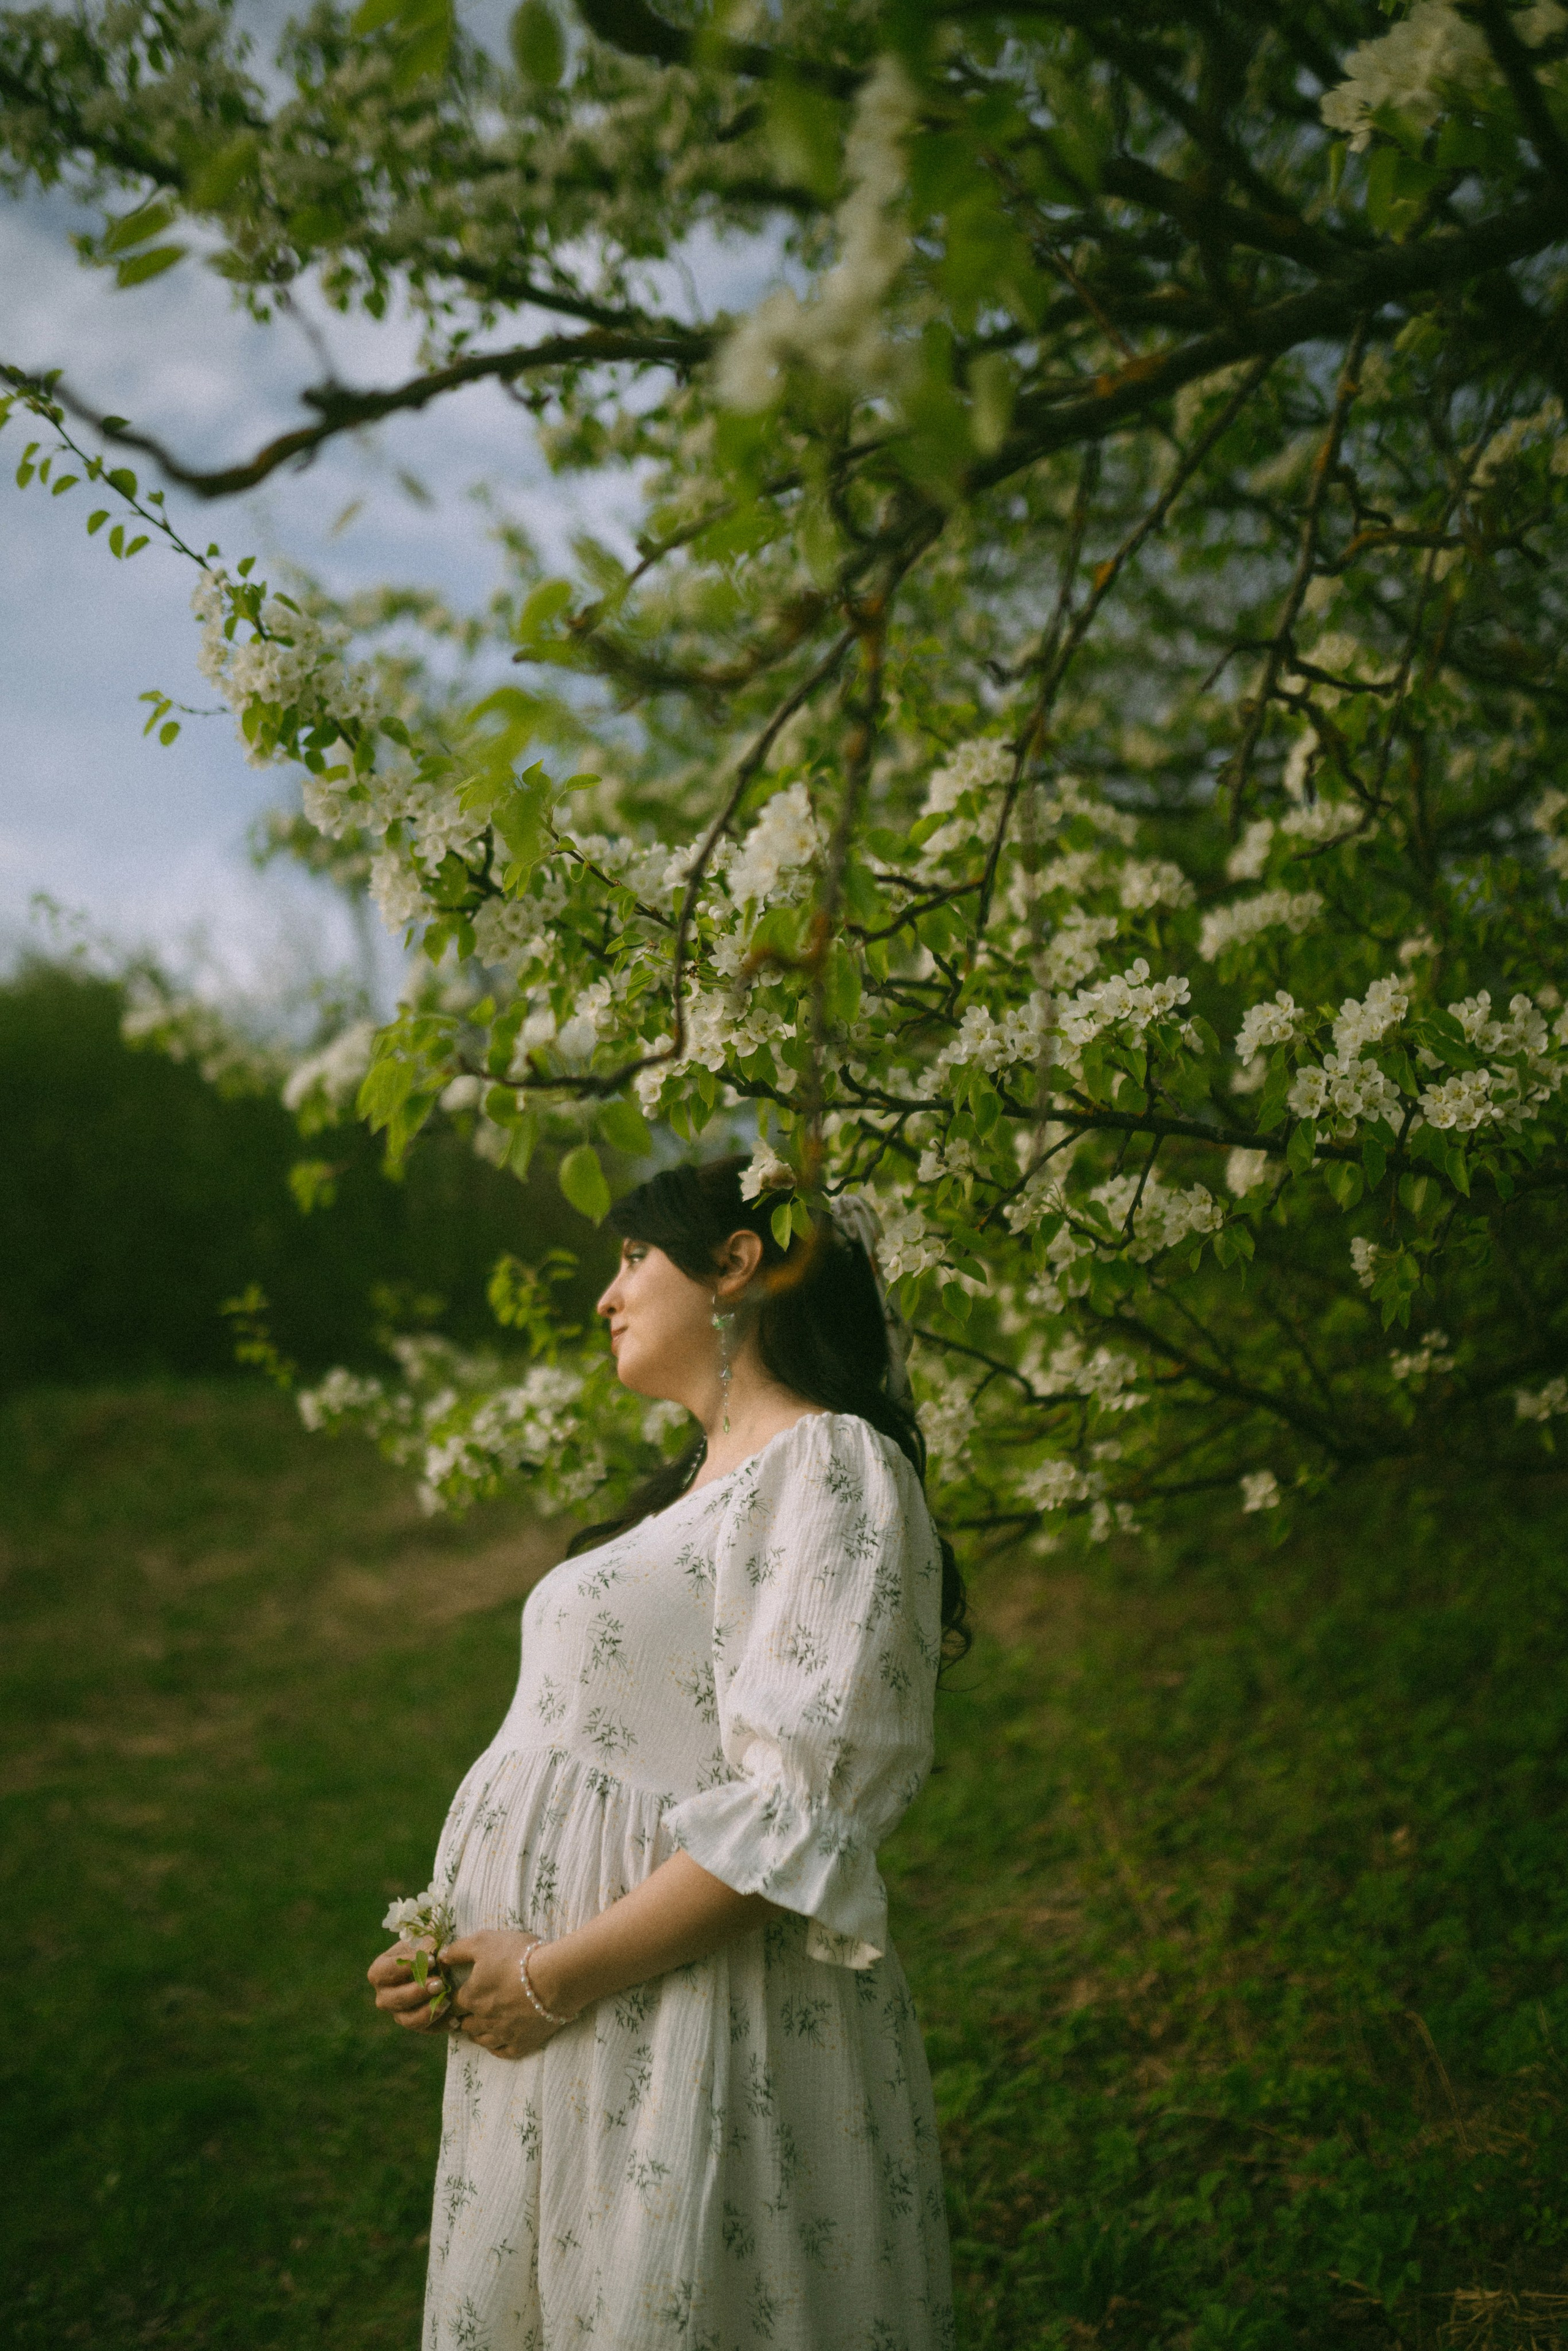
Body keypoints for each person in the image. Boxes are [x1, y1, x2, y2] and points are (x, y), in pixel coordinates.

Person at [368, 1153, 968, 2350]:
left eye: (633, 1254)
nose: (607, 1293)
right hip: (573, 2024)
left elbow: (799, 1813)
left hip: (689, 2016)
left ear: (736, 1262)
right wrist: (463, 1959)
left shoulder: (831, 1465)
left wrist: (553, 1974)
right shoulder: (686, 1497)